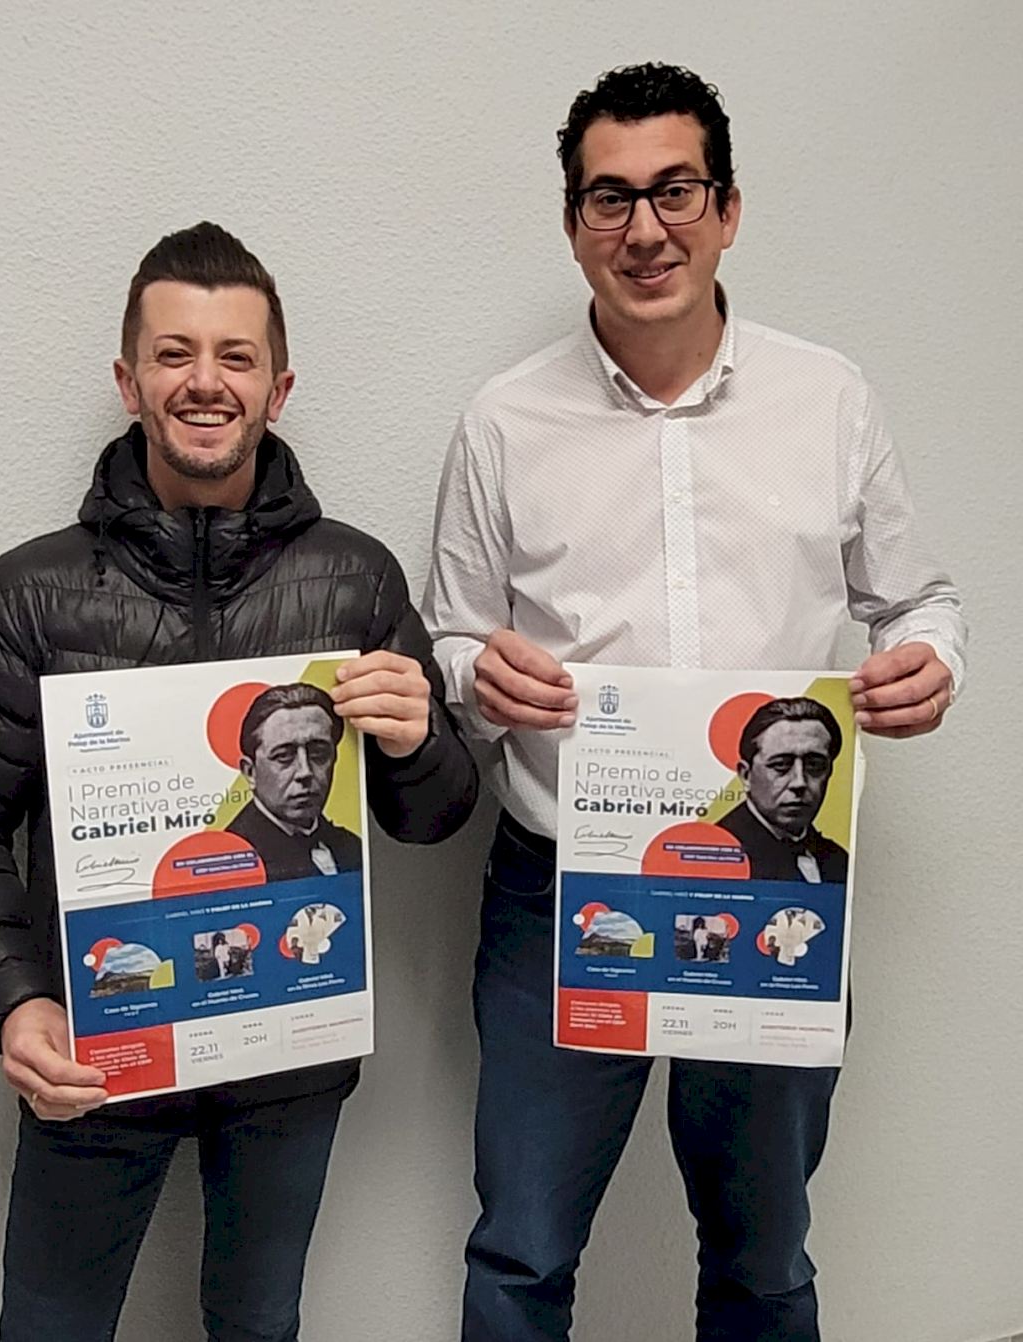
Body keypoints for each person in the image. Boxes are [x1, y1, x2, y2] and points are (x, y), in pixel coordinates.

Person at [423, 62, 966, 1342]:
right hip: (563, 885)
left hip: (777, 890)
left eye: (676, 191)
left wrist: (930, 660)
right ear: (573, 225)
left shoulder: (830, 400)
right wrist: (475, 677)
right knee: (521, 1252)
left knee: (764, 1255)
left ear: (728, 209)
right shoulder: (503, 422)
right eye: (609, 198)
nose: (645, 229)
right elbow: (451, 631)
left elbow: (918, 600)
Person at [0, 221, 477, 1342]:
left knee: (258, 1325)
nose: (205, 380)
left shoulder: (356, 579)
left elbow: (434, 816)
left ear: (277, 388)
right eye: (174, 353)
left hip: (288, 1062)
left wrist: (419, 739)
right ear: (129, 382)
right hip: (97, 1049)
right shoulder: (27, 594)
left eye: (235, 356)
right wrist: (15, 1002)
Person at [225, 683, 363, 880]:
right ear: (250, 772)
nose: (305, 772)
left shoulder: (352, 846)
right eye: (284, 756)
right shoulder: (232, 857)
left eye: (318, 753)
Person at [717, 697, 849, 883]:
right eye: (780, 765)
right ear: (746, 775)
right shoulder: (717, 853)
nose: (799, 782)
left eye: (814, 765)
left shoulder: (839, 861)